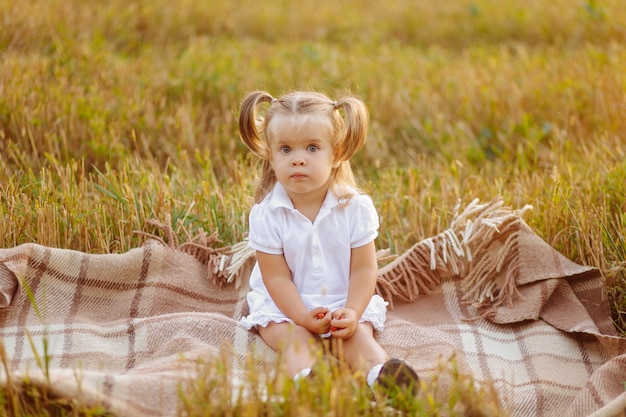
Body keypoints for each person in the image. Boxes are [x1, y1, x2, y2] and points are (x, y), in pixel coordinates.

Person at [238, 90, 419, 397]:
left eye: (312, 148)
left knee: (355, 336)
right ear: (270, 155)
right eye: (285, 149)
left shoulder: (355, 208)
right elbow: (276, 277)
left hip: (342, 301)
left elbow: (363, 270)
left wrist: (351, 310)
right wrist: (301, 317)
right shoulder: (267, 214)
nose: (298, 158)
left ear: (335, 154)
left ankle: (383, 376)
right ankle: (311, 382)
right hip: (285, 308)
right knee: (297, 339)